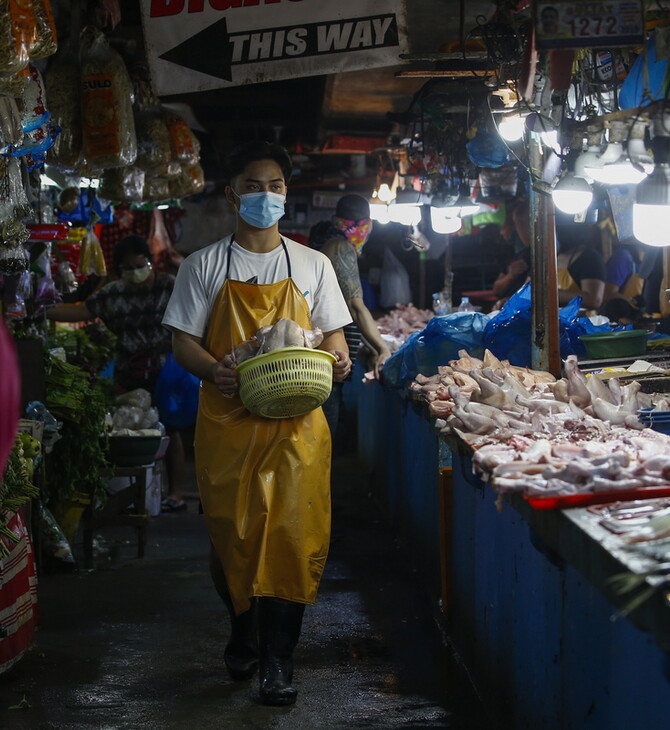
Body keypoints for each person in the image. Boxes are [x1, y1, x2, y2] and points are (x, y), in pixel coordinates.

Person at [161, 141, 352, 706]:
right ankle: (242, 625)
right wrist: (213, 370)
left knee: (293, 536)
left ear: (286, 195)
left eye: (275, 186)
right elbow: (183, 344)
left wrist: (338, 360)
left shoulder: (313, 264)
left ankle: (278, 661)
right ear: (232, 194)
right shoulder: (204, 265)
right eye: (254, 185)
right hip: (228, 420)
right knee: (233, 540)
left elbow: (334, 335)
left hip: (297, 423)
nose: (265, 195)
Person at [46, 235, 188, 513]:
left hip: (166, 373)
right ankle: (134, 495)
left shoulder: (169, 286)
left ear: (150, 262)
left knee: (171, 431)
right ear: (118, 270)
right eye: (128, 268)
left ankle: (176, 493)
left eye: (140, 265)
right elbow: (84, 310)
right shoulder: (113, 293)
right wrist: (40, 309)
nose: (136, 272)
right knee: (131, 430)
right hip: (129, 373)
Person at [309, 193, 391, 435]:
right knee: (324, 437)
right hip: (326, 361)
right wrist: (383, 348)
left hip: (324, 357)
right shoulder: (340, 246)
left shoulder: (323, 238)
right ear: (367, 225)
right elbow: (355, 306)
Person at [556, 221, 606, 311]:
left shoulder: (590, 258)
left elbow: (594, 300)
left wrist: (552, 294)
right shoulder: (548, 257)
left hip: (579, 322)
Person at [492, 199, 531, 302]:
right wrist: (511, 275)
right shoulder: (513, 256)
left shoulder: (534, 253)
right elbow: (496, 289)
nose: (501, 233)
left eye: (503, 227)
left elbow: (519, 217)